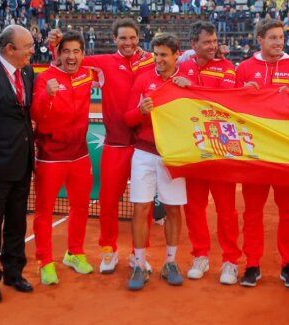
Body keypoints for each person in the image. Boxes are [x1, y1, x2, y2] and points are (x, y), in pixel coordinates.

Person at [47, 18, 155, 274]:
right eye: (122, 38)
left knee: (144, 204)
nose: (128, 43)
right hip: (115, 145)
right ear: (114, 40)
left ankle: (139, 254)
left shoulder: (151, 60)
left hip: (144, 147)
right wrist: (55, 45)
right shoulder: (103, 63)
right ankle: (109, 251)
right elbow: (69, 61)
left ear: (138, 38)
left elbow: (178, 60)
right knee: (108, 202)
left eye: (132, 38)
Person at [235, 18, 289, 288]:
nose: (279, 42)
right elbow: (231, 107)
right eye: (273, 37)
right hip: (255, 153)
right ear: (260, 39)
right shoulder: (244, 68)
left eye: (281, 37)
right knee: (252, 212)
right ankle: (252, 264)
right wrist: (243, 93)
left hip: (285, 153)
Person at [178, 21, 241, 285]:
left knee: (227, 208)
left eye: (215, 41)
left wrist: (190, 88)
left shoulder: (227, 67)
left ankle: (230, 261)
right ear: (194, 45)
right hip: (193, 149)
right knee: (194, 207)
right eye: (207, 42)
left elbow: (223, 102)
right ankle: (200, 255)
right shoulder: (182, 66)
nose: (213, 46)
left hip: (223, 148)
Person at [31, 31, 96, 285]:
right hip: (50, 156)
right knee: (44, 211)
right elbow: (37, 113)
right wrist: (48, 93)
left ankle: (75, 253)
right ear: (58, 54)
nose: (72, 56)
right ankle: (45, 261)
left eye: (76, 51)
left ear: (83, 53)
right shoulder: (45, 79)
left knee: (80, 207)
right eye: (66, 51)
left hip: (80, 154)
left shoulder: (87, 74)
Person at [125, 34, 187, 290]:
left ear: (176, 55)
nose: (159, 59)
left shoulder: (186, 83)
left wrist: (189, 91)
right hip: (144, 153)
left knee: (173, 209)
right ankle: (139, 264)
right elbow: (128, 119)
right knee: (140, 208)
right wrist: (140, 110)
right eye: (156, 54)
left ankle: (171, 262)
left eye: (164, 55)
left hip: (173, 155)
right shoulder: (142, 79)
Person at [0, 24, 35, 304]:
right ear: (10, 49)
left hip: (22, 161)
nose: (33, 50)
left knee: (18, 223)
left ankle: (14, 272)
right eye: (28, 46)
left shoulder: (28, 72)